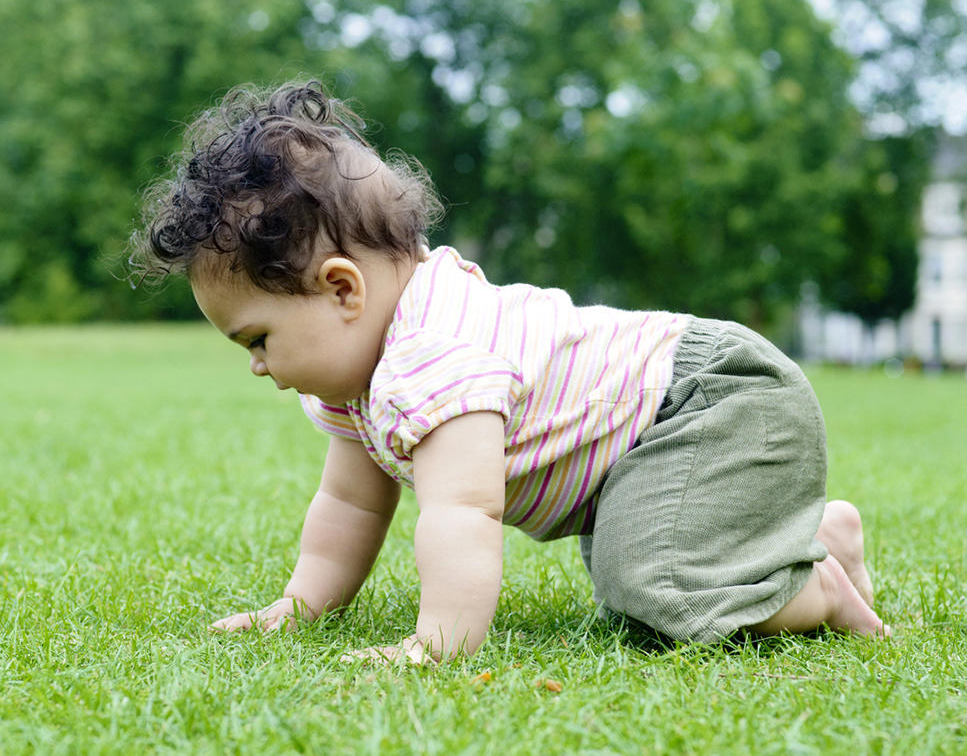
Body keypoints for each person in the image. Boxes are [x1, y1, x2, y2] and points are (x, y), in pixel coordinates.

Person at [132, 80, 888, 664]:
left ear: (341, 289)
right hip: (664, 430)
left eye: (258, 338)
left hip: (709, 400)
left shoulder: (435, 353)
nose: (258, 367)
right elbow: (349, 510)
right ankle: (820, 534)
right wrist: (297, 606)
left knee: (655, 589)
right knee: (633, 593)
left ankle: (816, 588)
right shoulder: (362, 379)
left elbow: (463, 513)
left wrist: (438, 643)